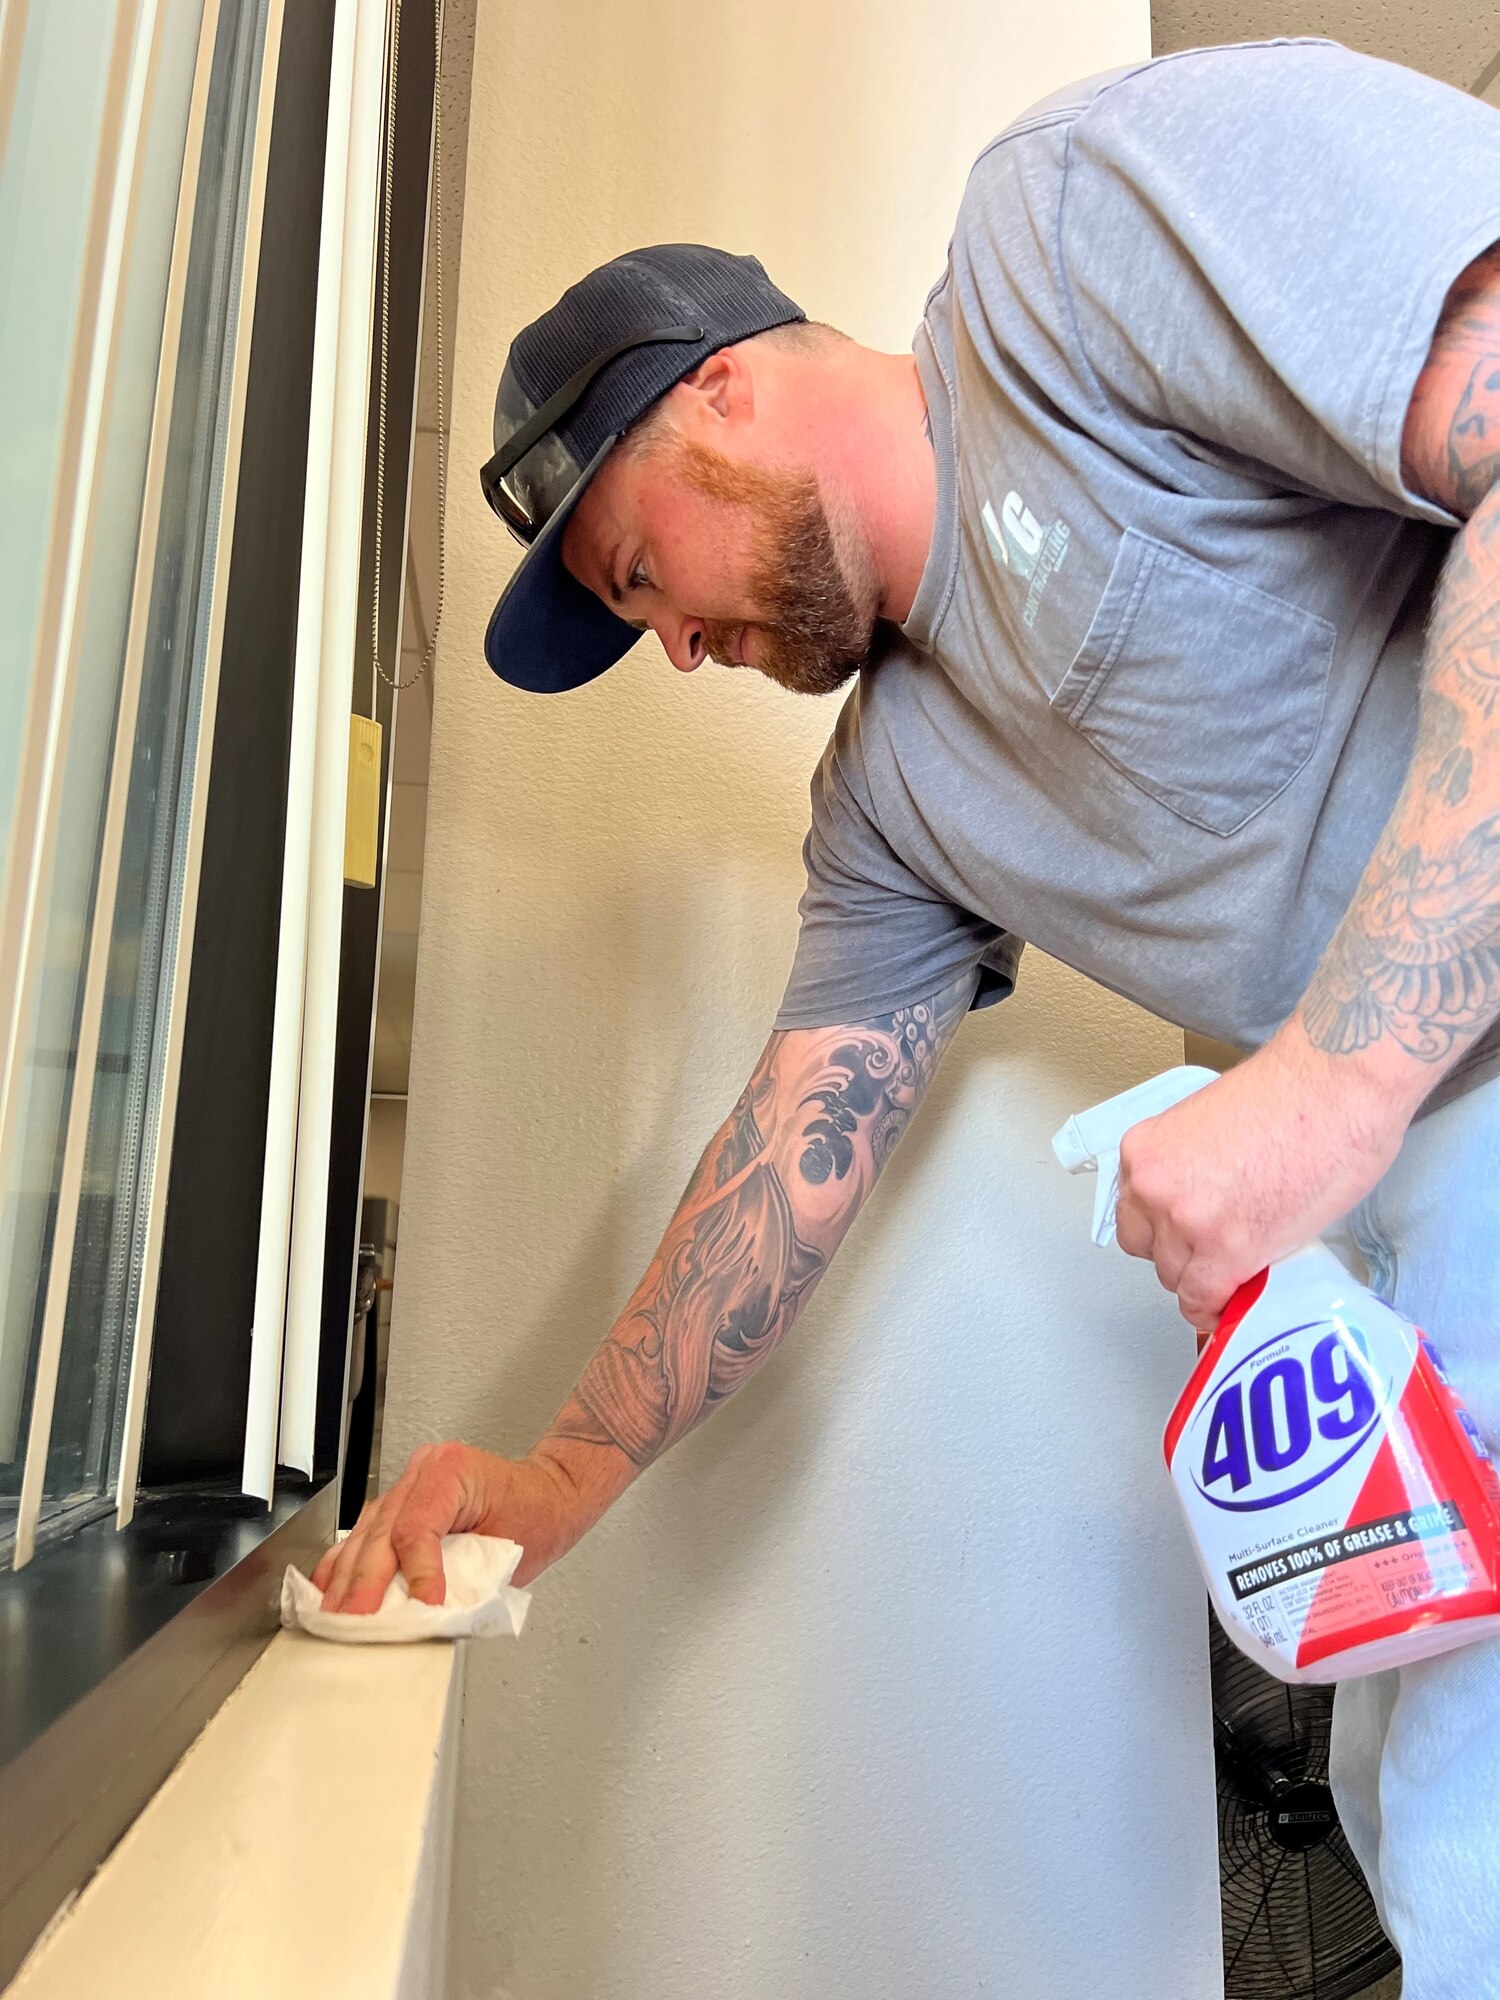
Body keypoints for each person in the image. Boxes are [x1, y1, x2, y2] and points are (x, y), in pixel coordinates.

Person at [316, 38, 1500, 1994]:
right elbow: (790, 1154)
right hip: (1431, 1184)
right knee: (1433, 1832)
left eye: (642, 572)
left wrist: (1329, 1085)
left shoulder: (1065, 240)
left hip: (1441, 1097)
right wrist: (548, 1487)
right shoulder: (899, 799)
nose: (677, 644)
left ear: (720, 384)